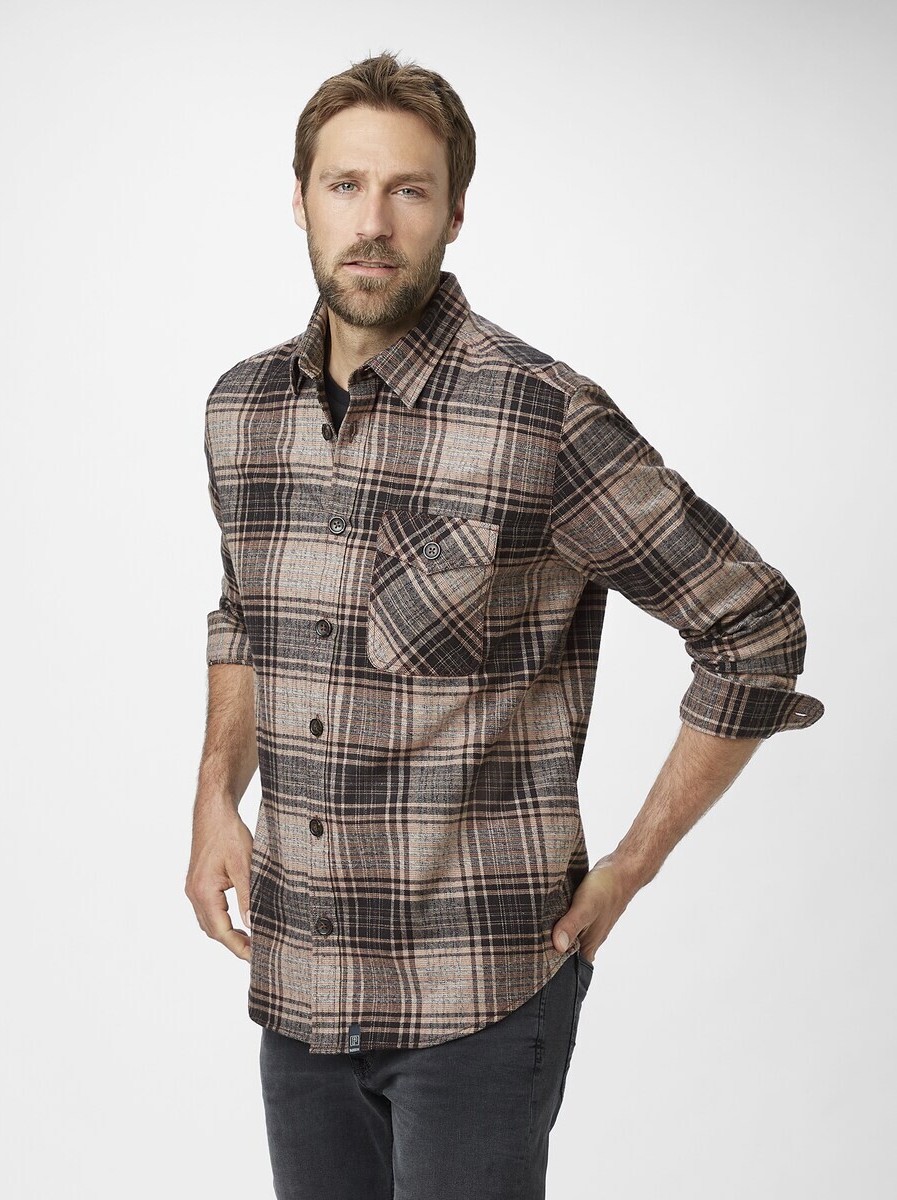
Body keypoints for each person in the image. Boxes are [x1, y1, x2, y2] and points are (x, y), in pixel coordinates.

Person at [185, 52, 824, 1200]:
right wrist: (213, 796)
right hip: (298, 985)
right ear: (299, 199)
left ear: (456, 212)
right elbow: (245, 613)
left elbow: (753, 625)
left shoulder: (541, 417)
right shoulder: (244, 409)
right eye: (344, 185)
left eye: (409, 190)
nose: (372, 223)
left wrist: (630, 867)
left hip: (478, 995)